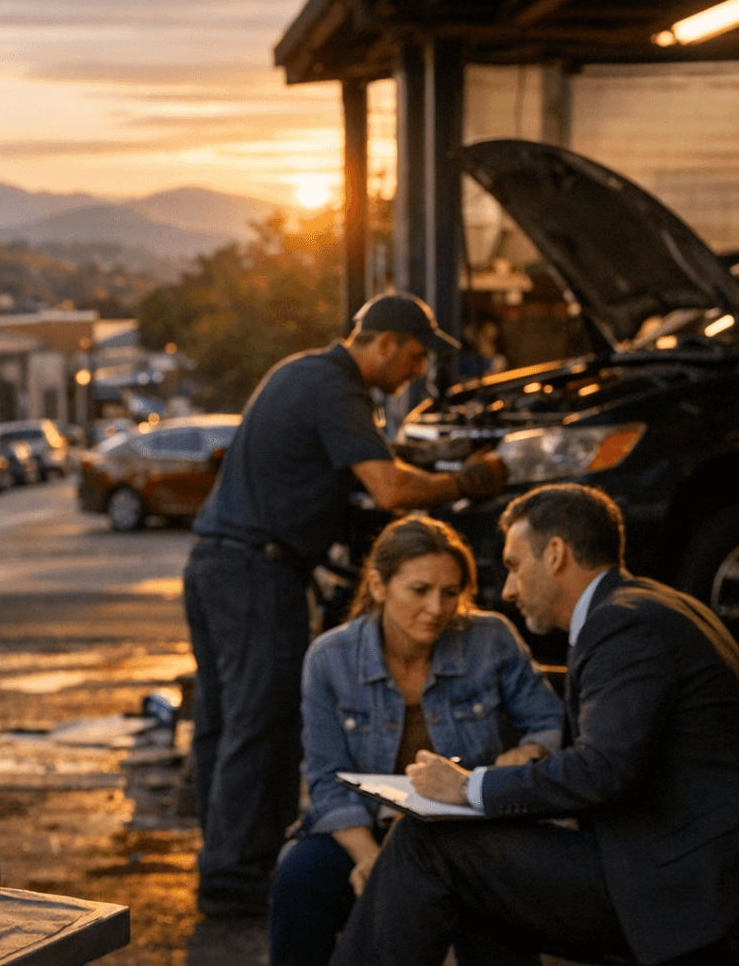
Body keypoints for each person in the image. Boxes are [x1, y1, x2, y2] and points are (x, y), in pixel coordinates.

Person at [186, 291, 508, 917]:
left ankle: (224, 865)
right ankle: (236, 881)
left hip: (213, 563)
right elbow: (388, 488)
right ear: (383, 342)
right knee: (261, 722)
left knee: (223, 722)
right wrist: (474, 480)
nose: (416, 371)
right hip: (257, 572)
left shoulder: (297, 370)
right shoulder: (337, 389)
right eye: (414, 356)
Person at [331, 484, 739, 965]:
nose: (506, 590)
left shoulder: (623, 625)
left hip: (679, 890)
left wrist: (469, 787)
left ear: (556, 554)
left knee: (427, 841)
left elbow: (601, 770)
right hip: (669, 866)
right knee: (477, 874)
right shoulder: (647, 607)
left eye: (512, 565)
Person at [268, 516, 561, 966]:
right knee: (299, 875)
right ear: (378, 586)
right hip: (363, 830)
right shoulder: (330, 660)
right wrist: (373, 860)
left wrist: (530, 751)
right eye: (419, 590)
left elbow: (549, 720)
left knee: (492, 909)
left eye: (450, 593)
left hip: (466, 830)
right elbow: (326, 780)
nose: (436, 609)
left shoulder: (491, 639)